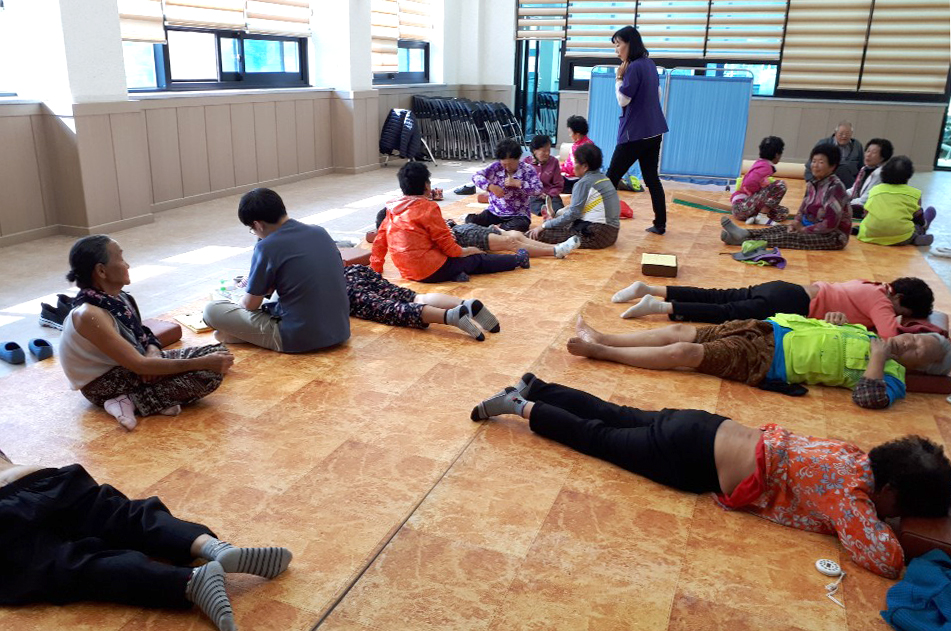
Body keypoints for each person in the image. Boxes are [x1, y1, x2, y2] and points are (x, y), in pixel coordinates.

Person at [469, 375, 951, 579]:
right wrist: (894, 525)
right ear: (889, 489)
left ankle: (540, 386)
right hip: (692, 458)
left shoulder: (850, 455)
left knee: (616, 413)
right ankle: (519, 405)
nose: (898, 514)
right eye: (901, 505)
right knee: (598, 437)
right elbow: (886, 560)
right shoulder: (852, 498)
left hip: (708, 425)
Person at [0, 449, 292, 631]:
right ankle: (213, 547)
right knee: (122, 516)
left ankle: (190, 582)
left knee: (65, 565)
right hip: (35, 478)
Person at [566, 315, 951, 409]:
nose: (910, 343)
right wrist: (833, 320)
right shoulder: (867, 332)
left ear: (919, 367)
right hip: (767, 329)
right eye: (917, 337)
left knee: (687, 354)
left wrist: (879, 360)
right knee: (684, 331)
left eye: (919, 351)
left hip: (767, 362)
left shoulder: (893, 378)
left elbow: (868, 398)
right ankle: (605, 337)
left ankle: (603, 353)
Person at [60, 235, 233, 431]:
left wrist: (153, 354)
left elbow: (145, 335)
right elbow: (138, 365)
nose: (127, 265)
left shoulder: (119, 299)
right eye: (120, 258)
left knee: (219, 353)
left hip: (132, 366)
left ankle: (144, 399)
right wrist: (203, 363)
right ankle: (128, 401)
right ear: (101, 271)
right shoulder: (89, 314)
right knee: (210, 373)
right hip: (103, 384)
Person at [203, 187, 351, 354]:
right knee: (276, 297)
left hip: (298, 338)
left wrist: (238, 303)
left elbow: (250, 305)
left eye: (252, 230)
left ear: (257, 225)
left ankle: (242, 334)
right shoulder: (319, 231)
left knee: (211, 310)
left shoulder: (267, 246)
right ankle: (240, 334)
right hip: (339, 330)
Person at [611, 277, 935, 338]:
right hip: (794, 302)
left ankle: (650, 290)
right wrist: (910, 325)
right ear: (901, 302)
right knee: (727, 313)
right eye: (904, 313)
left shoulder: (872, 284)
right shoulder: (882, 301)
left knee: (719, 296)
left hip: (788, 290)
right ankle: (658, 305)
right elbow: (891, 338)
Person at [372, 162, 528, 283]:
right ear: (426, 185)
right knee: (476, 260)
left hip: (407, 272)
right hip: (429, 270)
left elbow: (379, 242)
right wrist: (470, 250)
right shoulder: (427, 208)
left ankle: (454, 273)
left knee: (454, 259)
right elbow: (450, 249)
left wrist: (375, 269)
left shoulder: (392, 208)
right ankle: (518, 260)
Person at [721, 144, 851, 250]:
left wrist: (804, 230)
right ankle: (744, 233)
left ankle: (740, 240)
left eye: (821, 162)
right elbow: (803, 208)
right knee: (781, 228)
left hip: (833, 235)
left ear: (832, 166)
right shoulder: (812, 183)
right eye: (814, 161)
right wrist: (796, 222)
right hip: (809, 226)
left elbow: (830, 224)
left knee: (790, 237)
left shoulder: (835, 188)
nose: (815, 165)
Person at [607, 26, 669, 235]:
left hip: (634, 133)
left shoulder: (632, 68)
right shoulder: (650, 64)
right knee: (652, 178)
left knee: (611, 178)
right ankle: (660, 224)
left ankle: (603, 222)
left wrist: (618, 79)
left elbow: (623, 100)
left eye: (618, 45)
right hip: (654, 131)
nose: (616, 50)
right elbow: (657, 94)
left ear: (629, 44)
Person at [344, 264, 501, 341]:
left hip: (343, 285)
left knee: (387, 308)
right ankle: (466, 304)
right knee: (413, 296)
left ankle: (449, 316)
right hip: (354, 270)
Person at [374, 209, 581, 261]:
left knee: (515, 233)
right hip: (464, 237)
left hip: (464, 230)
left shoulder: (415, 222)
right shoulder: (405, 237)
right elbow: (446, 246)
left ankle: (556, 248)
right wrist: (466, 250)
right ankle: (554, 252)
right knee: (510, 241)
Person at [526, 143, 621, 250]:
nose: (573, 166)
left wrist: (543, 226)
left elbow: (573, 215)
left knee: (539, 234)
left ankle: (519, 237)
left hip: (596, 234)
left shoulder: (583, 183)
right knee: (560, 223)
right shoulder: (604, 178)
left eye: (575, 162)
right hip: (612, 234)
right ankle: (553, 218)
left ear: (585, 167)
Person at [465, 138, 543, 233]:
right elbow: (475, 176)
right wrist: (490, 187)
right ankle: (497, 230)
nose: (508, 167)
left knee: (520, 226)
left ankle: (494, 230)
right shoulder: (495, 167)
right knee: (471, 220)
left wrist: (519, 184)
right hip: (494, 212)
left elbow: (539, 189)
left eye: (511, 164)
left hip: (518, 215)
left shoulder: (527, 169)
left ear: (518, 159)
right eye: (504, 164)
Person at [858, 155, 937, 247]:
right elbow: (917, 217)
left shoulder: (875, 190)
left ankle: (859, 230)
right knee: (917, 226)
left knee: (865, 225)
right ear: (908, 176)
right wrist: (922, 225)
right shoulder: (915, 193)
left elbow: (866, 213)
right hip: (901, 236)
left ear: (884, 173)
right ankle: (916, 237)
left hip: (870, 234)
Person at [731, 136, 789, 225]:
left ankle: (755, 217)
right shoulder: (765, 167)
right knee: (781, 185)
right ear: (777, 155)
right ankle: (762, 216)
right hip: (742, 207)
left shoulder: (761, 164)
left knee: (783, 212)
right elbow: (748, 183)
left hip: (744, 207)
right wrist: (762, 188)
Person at [804, 121, 863, 188]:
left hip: (849, 185)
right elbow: (810, 164)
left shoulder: (857, 145)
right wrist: (810, 181)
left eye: (847, 134)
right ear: (835, 133)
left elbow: (861, 167)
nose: (844, 136)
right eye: (841, 134)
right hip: (825, 183)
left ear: (851, 134)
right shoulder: (823, 144)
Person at [848, 138, 893, 218]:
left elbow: (865, 200)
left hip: (870, 212)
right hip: (857, 206)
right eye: (868, 151)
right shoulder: (864, 169)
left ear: (883, 157)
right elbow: (854, 190)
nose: (868, 155)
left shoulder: (880, 174)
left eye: (874, 153)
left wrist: (845, 203)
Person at [525, 134, 565, 217]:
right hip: (533, 196)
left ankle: (556, 212)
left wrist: (549, 194)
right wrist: (535, 192)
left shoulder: (554, 162)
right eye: (544, 151)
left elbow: (558, 184)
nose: (547, 153)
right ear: (534, 151)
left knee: (557, 204)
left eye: (549, 150)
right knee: (532, 203)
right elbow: (523, 184)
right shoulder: (526, 163)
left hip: (551, 195)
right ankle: (545, 211)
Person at [561, 115, 594, 194]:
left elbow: (576, 168)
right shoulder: (582, 144)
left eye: (570, 133)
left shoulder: (583, 147)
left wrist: (559, 168)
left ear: (577, 134)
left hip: (577, 180)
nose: (569, 135)